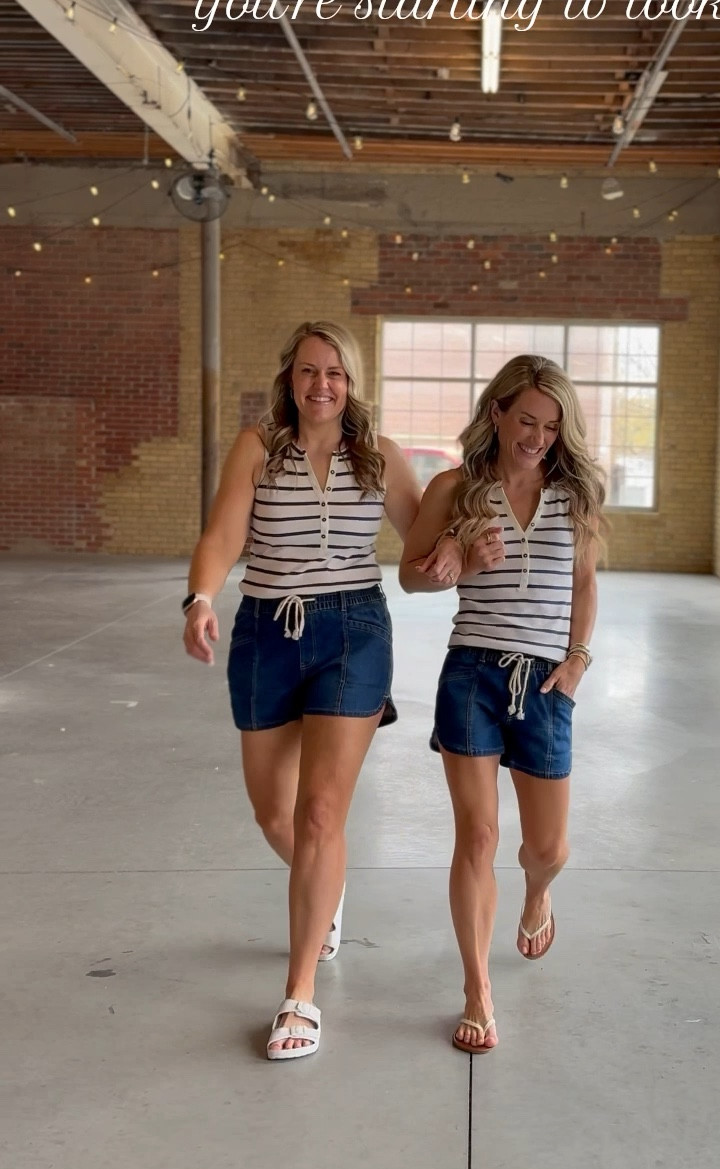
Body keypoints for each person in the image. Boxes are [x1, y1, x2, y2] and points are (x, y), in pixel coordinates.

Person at [183, 320, 422, 1061]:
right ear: (290, 377)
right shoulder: (259, 447)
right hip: (266, 631)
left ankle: (299, 999)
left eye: (337, 374)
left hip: (353, 631)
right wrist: (199, 598)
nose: (323, 385)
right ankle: (329, 892)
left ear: (353, 384)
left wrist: (463, 550)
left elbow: (422, 538)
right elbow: (223, 535)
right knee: (274, 814)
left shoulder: (379, 456)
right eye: (311, 371)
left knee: (322, 813)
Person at [400, 355, 603, 1054]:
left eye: (551, 426)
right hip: (472, 677)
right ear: (497, 413)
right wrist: (458, 556)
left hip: (546, 682)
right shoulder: (456, 488)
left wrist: (577, 660)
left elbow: (583, 586)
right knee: (477, 838)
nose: (539, 437)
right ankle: (477, 990)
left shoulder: (573, 494)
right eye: (527, 421)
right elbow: (410, 577)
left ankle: (538, 891)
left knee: (546, 848)